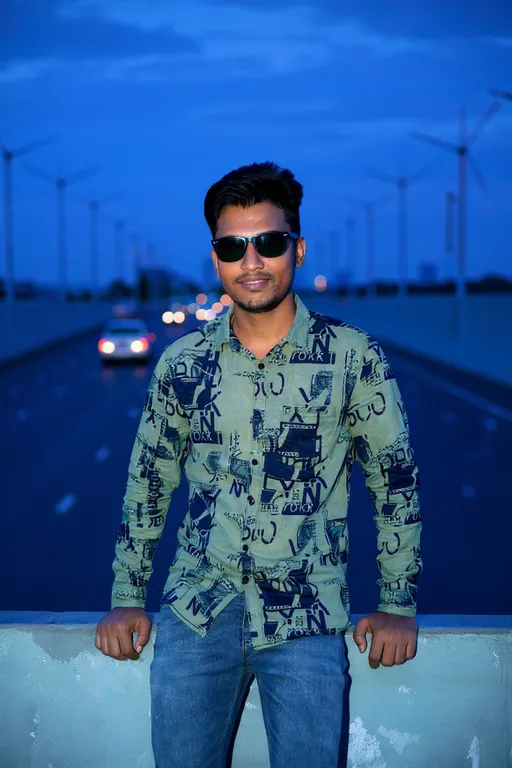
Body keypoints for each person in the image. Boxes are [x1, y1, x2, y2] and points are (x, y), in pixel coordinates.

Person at [95, 161, 422, 768]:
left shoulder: (353, 357)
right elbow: (149, 481)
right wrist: (127, 594)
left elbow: (394, 480)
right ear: (215, 258)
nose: (252, 261)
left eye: (268, 243)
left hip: (306, 613)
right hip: (198, 609)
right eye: (233, 246)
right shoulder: (183, 363)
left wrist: (397, 604)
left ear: (297, 248)